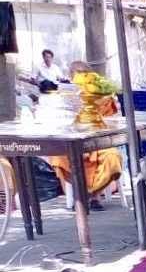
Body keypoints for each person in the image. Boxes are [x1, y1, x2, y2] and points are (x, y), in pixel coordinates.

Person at [47, 60, 119, 211]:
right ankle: (80, 194)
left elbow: (112, 121)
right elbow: (56, 118)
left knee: (112, 157)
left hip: (98, 142)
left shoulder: (102, 96)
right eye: (76, 76)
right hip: (71, 141)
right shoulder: (64, 95)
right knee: (58, 157)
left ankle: (93, 195)